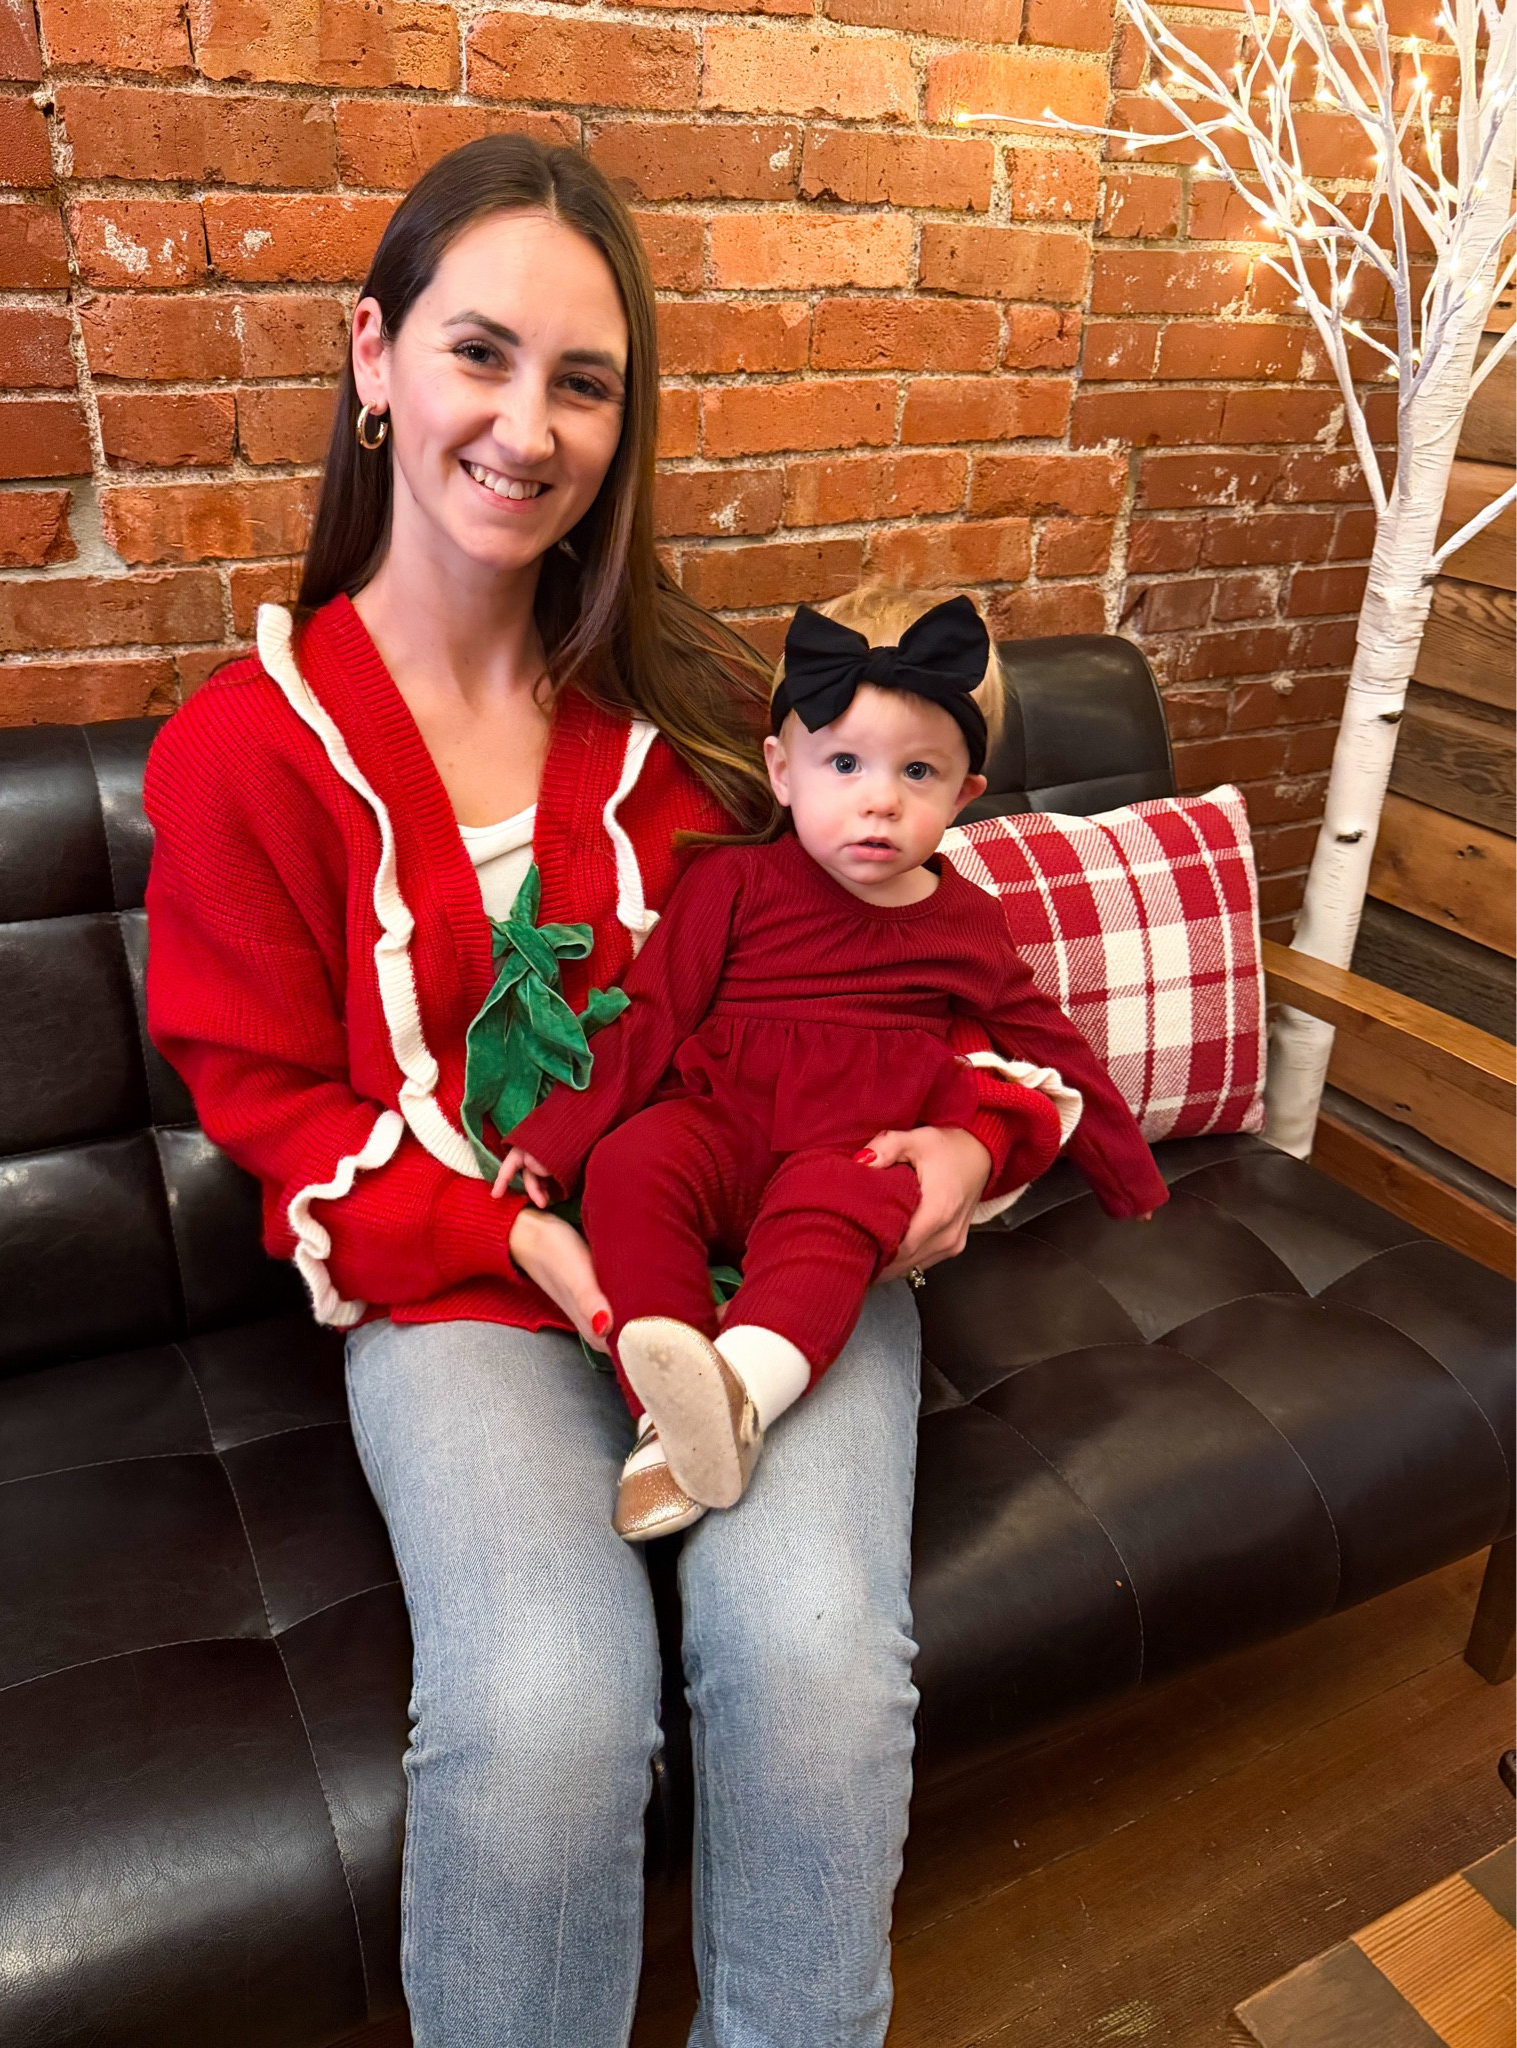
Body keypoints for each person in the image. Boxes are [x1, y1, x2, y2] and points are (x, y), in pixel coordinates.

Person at [143, 133, 1064, 2048]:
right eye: (479, 354)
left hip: (770, 1242)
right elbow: (281, 1117)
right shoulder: (243, 754)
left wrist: (961, 1143)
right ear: (374, 356)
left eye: (583, 380)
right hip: (458, 1282)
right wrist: (545, 1253)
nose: (528, 425)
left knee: (816, 1661)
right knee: (548, 1704)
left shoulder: (716, 715)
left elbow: (935, 963)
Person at [497, 591, 1168, 1542]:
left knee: (843, 1210)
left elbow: (1046, 1040)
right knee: (632, 1164)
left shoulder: (966, 924)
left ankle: (738, 1395)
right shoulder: (732, 881)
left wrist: (1125, 1173)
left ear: (964, 796)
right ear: (784, 770)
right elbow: (654, 1012)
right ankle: (668, 1410)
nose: (879, 800)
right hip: (723, 1125)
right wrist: (562, 1135)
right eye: (845, 764)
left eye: (918, 772)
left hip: (856, 1150)